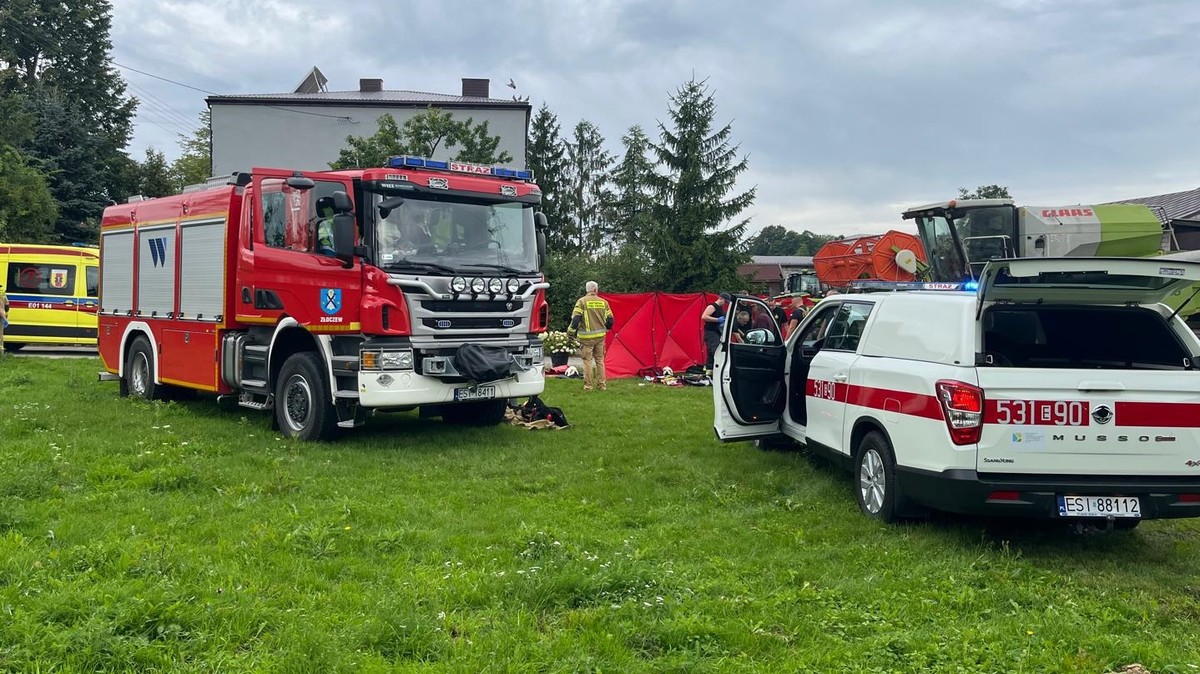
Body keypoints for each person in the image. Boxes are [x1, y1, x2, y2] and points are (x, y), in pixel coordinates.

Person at [568, 280, 615, 391]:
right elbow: (610, 320)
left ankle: (588, 386)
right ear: (595, 290)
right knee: (600, 361)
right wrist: (607, 329)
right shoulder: (604, 302)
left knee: (587, 361)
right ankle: (602, 386)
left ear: (587, 290)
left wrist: (570, 332)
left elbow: (576, 319)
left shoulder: (582, 301)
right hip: (600, 337)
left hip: (586, 338)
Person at [701, 292, 731, 372]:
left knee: (713, 350)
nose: (725, 304)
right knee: (714, 350)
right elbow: (704, 316)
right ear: (721, 298)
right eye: (725, 301)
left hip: (717, 332)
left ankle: (709, 368)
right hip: (711, 332)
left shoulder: (720, 308)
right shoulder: (712, 306)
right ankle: (712, 367)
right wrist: (717, 320)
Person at [0, 281, 7, 355]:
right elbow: (7, 306)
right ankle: (1, 350)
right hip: (1, 317)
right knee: (0, 333)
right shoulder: (3, 295)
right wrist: (5, 318)